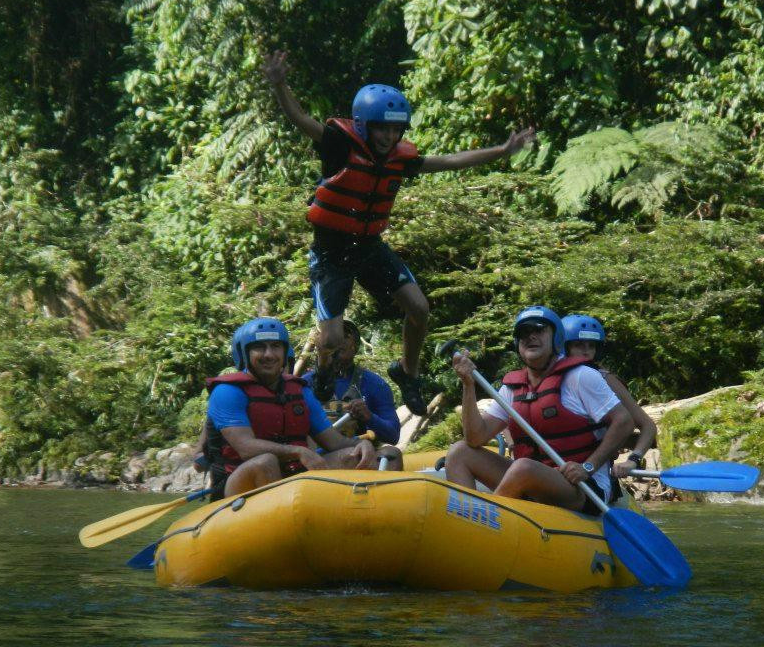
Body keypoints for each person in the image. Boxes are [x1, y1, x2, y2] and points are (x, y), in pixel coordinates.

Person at [262, 50, 536, 417]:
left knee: (419, 308)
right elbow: (300, 119)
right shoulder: (339, 146)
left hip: (369, 247)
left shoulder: (399, 159)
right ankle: (324, 369)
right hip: (331, 253)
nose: (389, 136)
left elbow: (448, 161)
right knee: (329, 339)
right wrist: (280, 85)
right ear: (362, 125)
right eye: (382, 128)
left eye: (395, 129)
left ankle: (407, 373)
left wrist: (501, 151)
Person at [445, 306, 633, 515]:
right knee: (459, 452)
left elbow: (624, 421)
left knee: (523, 467)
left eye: (539, 330)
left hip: (582, 485)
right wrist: (468, 385)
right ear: (518, 343)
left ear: (556, 339)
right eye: (524, 332)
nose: (531, 336)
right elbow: (475, 438)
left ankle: (484, 522)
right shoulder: (511, 388)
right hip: (529, 478)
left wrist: (588, 467)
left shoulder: (580, 377)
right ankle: (464, 518)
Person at [202, 317, 375, 501]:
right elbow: (246, 448)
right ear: (244, 354)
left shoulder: (300, 391)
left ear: (285, 352)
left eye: (276, 346)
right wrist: (298, 451)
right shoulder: (227, 392)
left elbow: (334, 442)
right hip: (238, 482)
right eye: (259, 347)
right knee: (265, 462)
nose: (269, 354)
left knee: (383, 455)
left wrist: (360, 444)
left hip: (293, 474)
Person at [561, 314, 657, 478]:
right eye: (579, 345)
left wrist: (633, 459)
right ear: (563, 347)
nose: (586, 351)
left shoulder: (605, 378)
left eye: (591, 346)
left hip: (592, 473)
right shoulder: (549, 379)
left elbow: (648, 426)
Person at [303, 320, 403, 470]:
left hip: (361, 453)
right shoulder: (304, 384)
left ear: (355, 347)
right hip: (318, 458)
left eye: (345, 336)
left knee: (392, 454)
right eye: (333, 337)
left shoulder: (374, 384)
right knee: (350, 454)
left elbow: (393, 435)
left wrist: (370, 417)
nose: (338, 340)